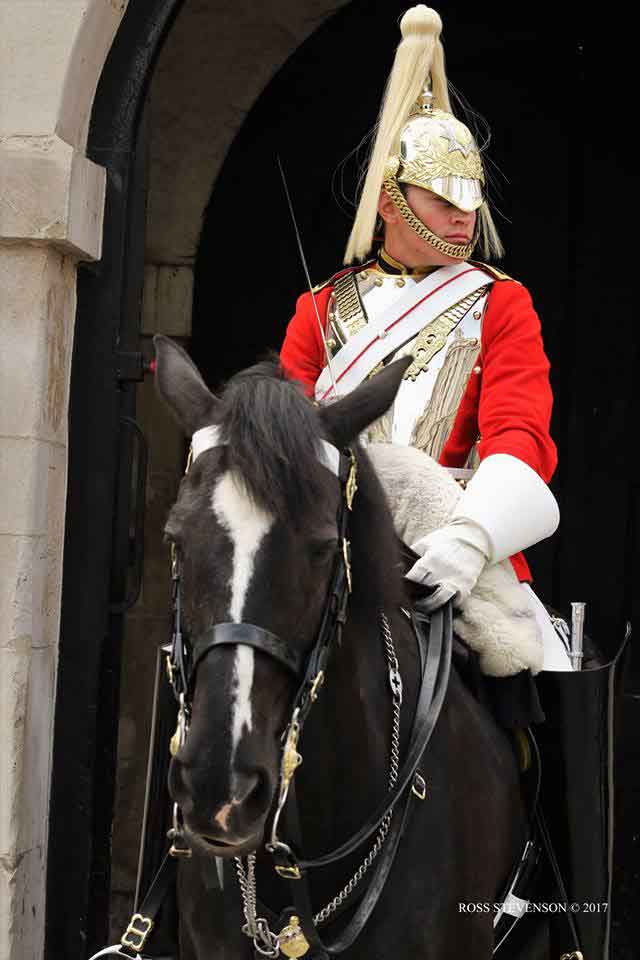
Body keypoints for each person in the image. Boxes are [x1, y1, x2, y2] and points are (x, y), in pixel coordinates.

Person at [280, 4, 570, 671]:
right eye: (444, 200)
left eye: (470, 201)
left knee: (541, 676)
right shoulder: (318, 310)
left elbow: (520, 432)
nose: (464, 217)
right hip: (337, 539)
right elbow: (285, 443)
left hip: (458, 546)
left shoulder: (501, 302)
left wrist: (471, 540)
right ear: (392, 202)